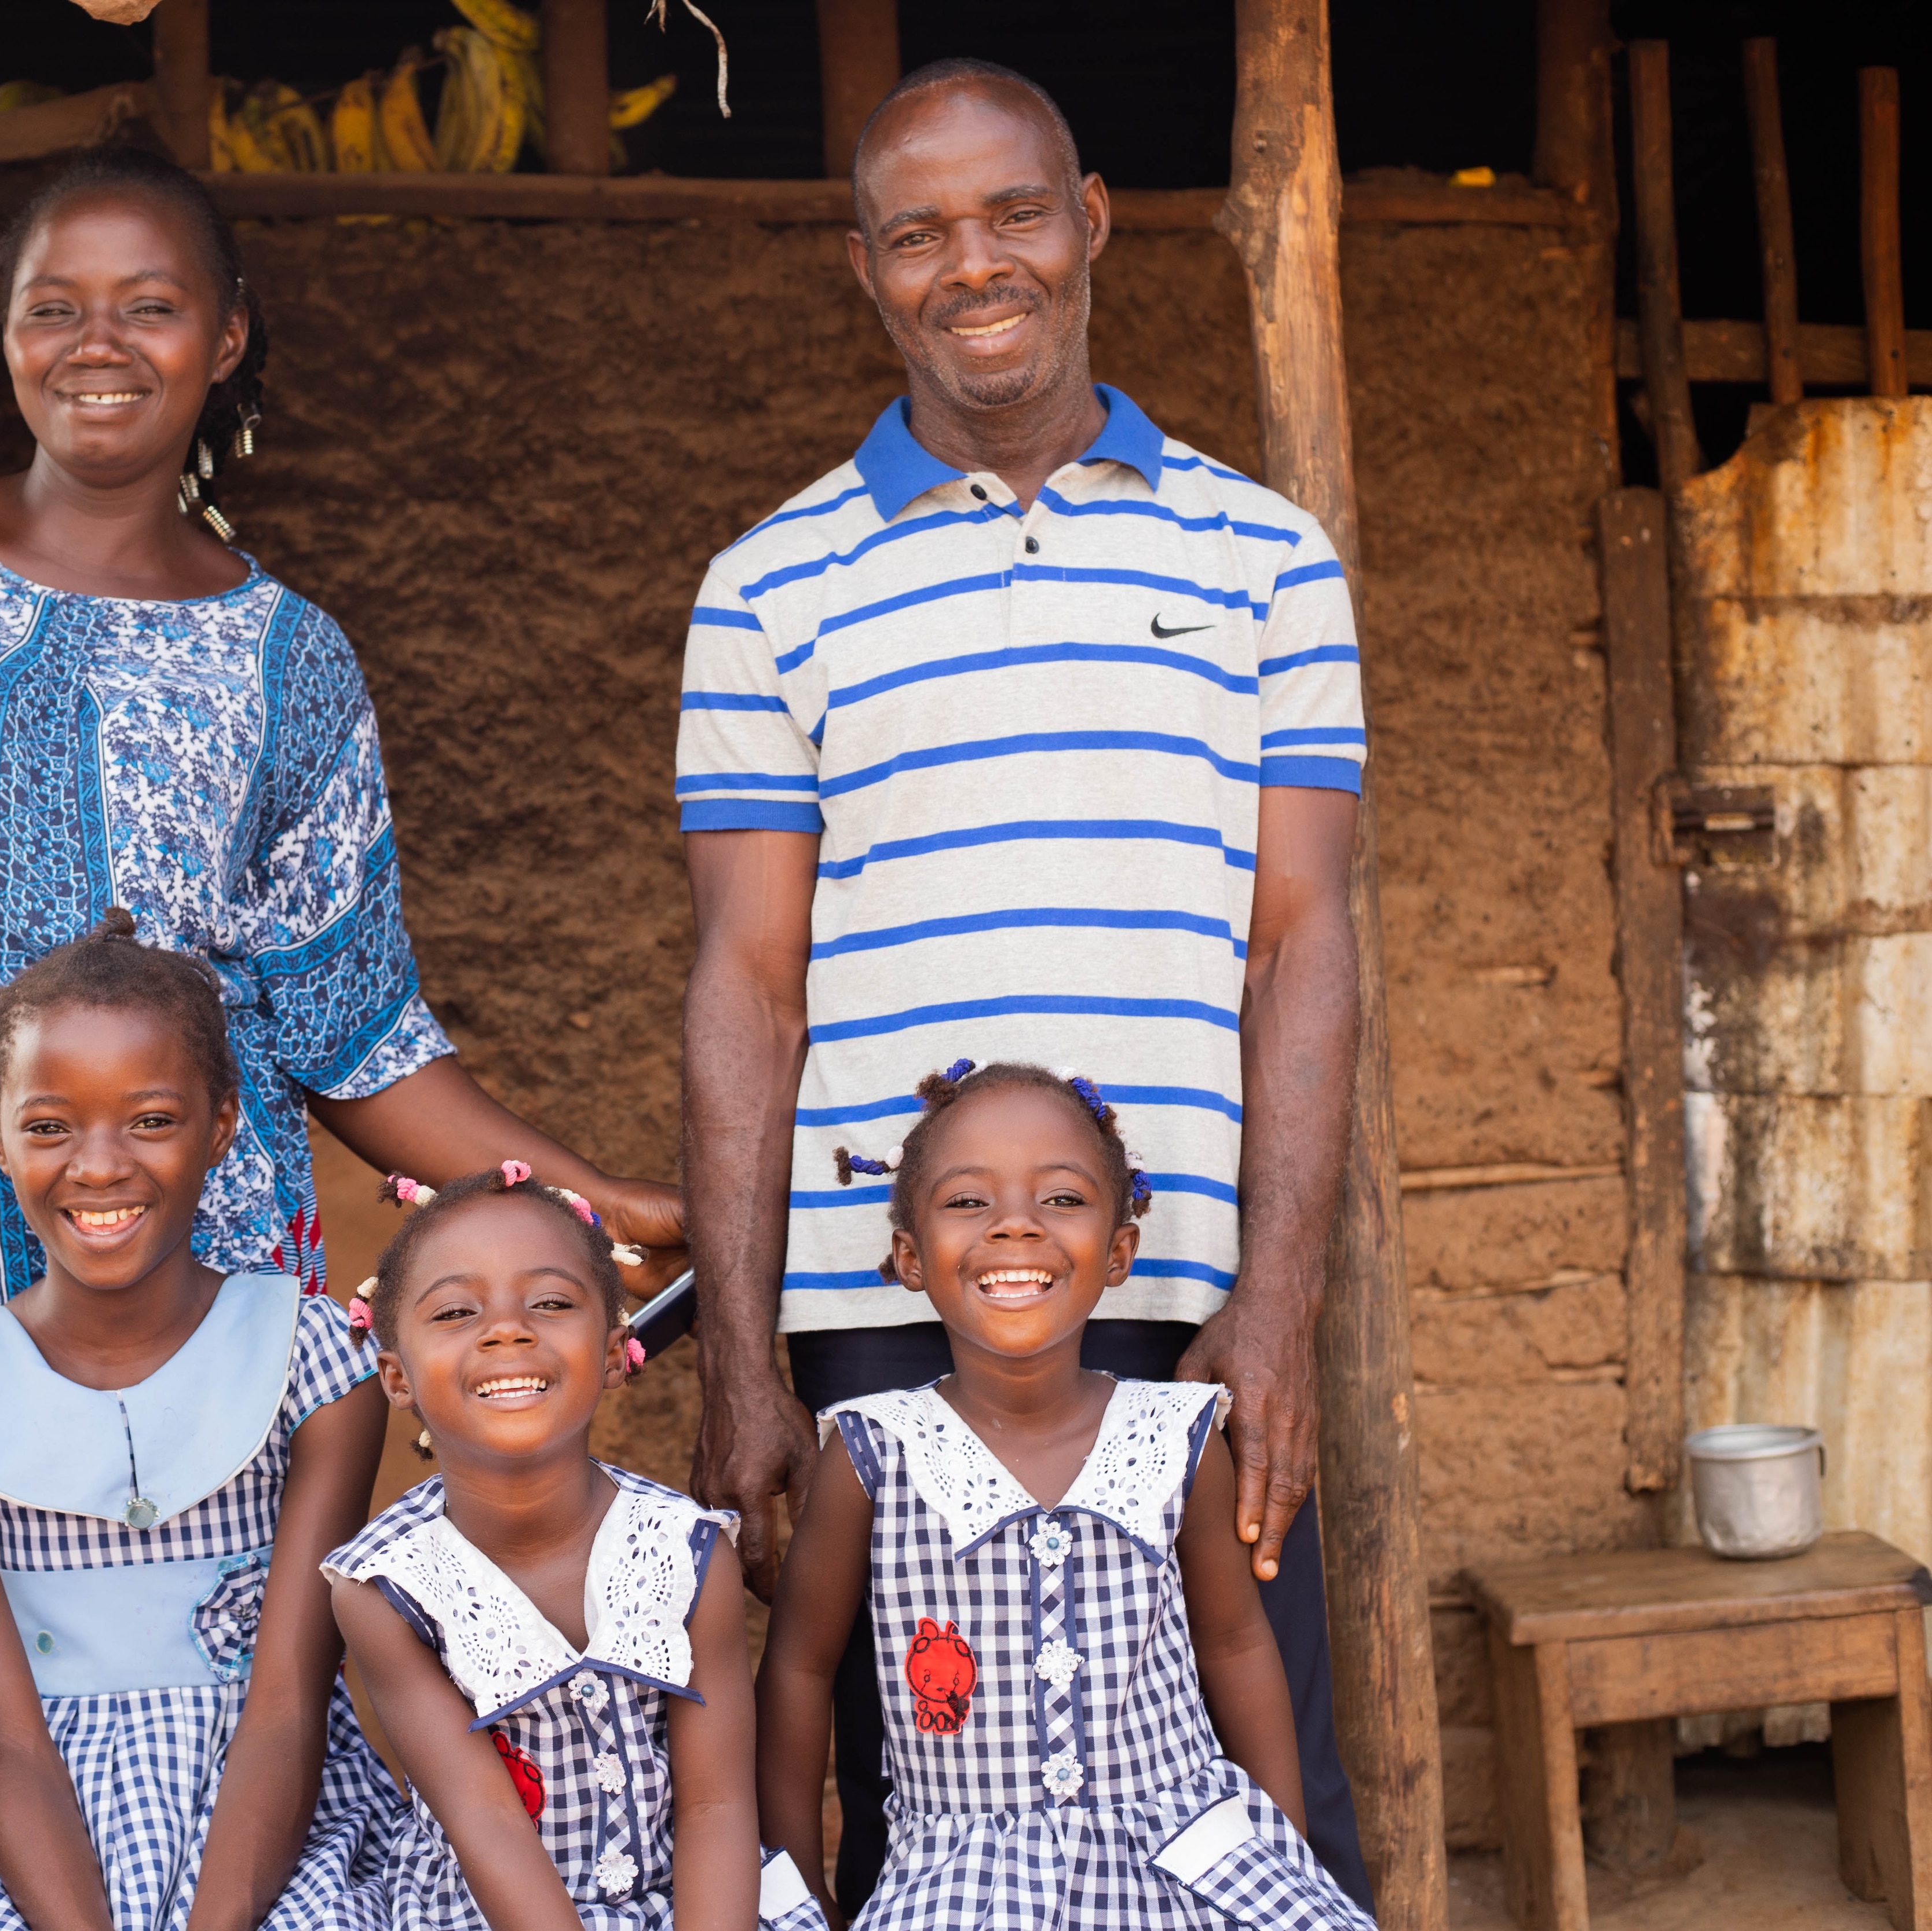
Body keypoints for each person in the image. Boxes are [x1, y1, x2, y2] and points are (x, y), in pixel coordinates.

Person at [0, 144, 681, 1425]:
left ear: (226, 335)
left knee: (182, 1617)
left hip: (191, 1278)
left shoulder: (290, 658)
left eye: (151, 304)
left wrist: (585, 1196)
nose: (97, 341)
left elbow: (350, 1030)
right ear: (7, 332)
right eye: (53, 305)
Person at [673, 59, 1371, 1911]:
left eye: (1011, 215)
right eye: (918, 233)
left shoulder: (1268, 565)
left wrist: (1278, 1304)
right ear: (866, 270)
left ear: (1090, 225)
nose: (971, 264)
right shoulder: (767, 589)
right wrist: (747, 1357)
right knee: (935, 1819)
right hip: (880, 1303)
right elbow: (747, 985)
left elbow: (1306, 941)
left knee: (1243, 1802)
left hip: (1186, 1290)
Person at [0, 911, 399, 1931]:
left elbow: (287, 1700)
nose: (99, 1166)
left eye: (150, 1119)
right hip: (22, 1838)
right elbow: (4, 1734)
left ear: (223, 1122)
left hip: (270, 1821)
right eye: (51, 1125)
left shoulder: (314, 1360)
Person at [755, 1061, 1372, 1930]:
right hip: (963, 1879)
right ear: (908, 1257)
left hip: (1186, 1859)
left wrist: (1278, 1853)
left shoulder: (1178, 1438)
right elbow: (798, 1668)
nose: (1015, 1225)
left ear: (1119, 1252)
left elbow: (1235, 1648)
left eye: (1063, 1199)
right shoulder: (873, 1455)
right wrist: (797, 1889)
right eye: (969, 1202)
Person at [324, 1161, 823, 1931]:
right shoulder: (386, 1588)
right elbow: (484, 1818)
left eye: (552, 1302)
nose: (507, 1327)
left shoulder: (687, 1552)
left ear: (618, 1350)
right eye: (457, 1311)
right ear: (396, 1375)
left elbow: (717, 1802)